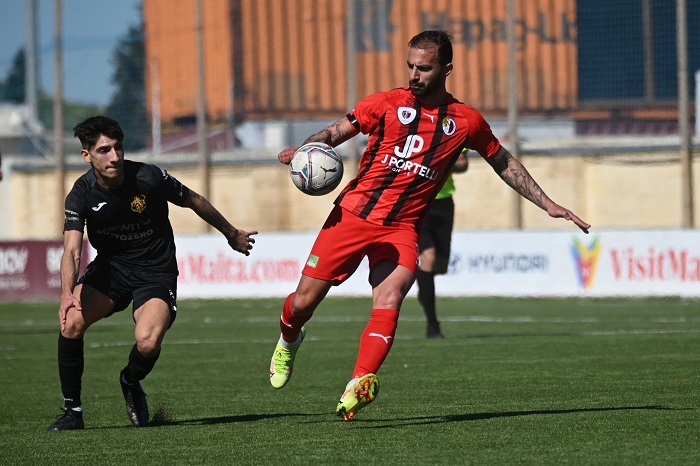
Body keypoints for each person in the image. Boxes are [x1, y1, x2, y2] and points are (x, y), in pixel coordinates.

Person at [269, 30, 590, 422]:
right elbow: (335, 132)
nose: (414, 75)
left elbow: (503, 161)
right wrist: (305, 149)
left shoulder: (466, 120)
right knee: (302, 303)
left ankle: (359, 382)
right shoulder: (385, 103)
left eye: (424, 68)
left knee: (389, 299)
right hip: (353, 215)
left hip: (402, 227)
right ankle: (289, 339)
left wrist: (548, 204)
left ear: (447, 69)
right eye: (411, 67)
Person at [47, 116, 257, 431]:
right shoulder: (81, 195)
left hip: (155, 271)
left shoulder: (148, 177)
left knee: (147, 342)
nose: (114, 156)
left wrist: (231, 233)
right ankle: (72, 413)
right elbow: (72, 250)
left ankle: (130, 379)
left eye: (118, 147)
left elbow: (194, 200)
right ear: (86, 155)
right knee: (70, 322)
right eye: (104, 150)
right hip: (111, 270)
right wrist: (66, 293)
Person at [418, 148, 468, 339]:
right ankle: (433, 325)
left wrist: (444, 162)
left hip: (444, 205)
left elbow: (463, 164)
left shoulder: (450, 130)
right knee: (428, 260)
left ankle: (423, 288)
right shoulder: (414, 133)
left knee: (438, 265)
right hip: (420, 203)